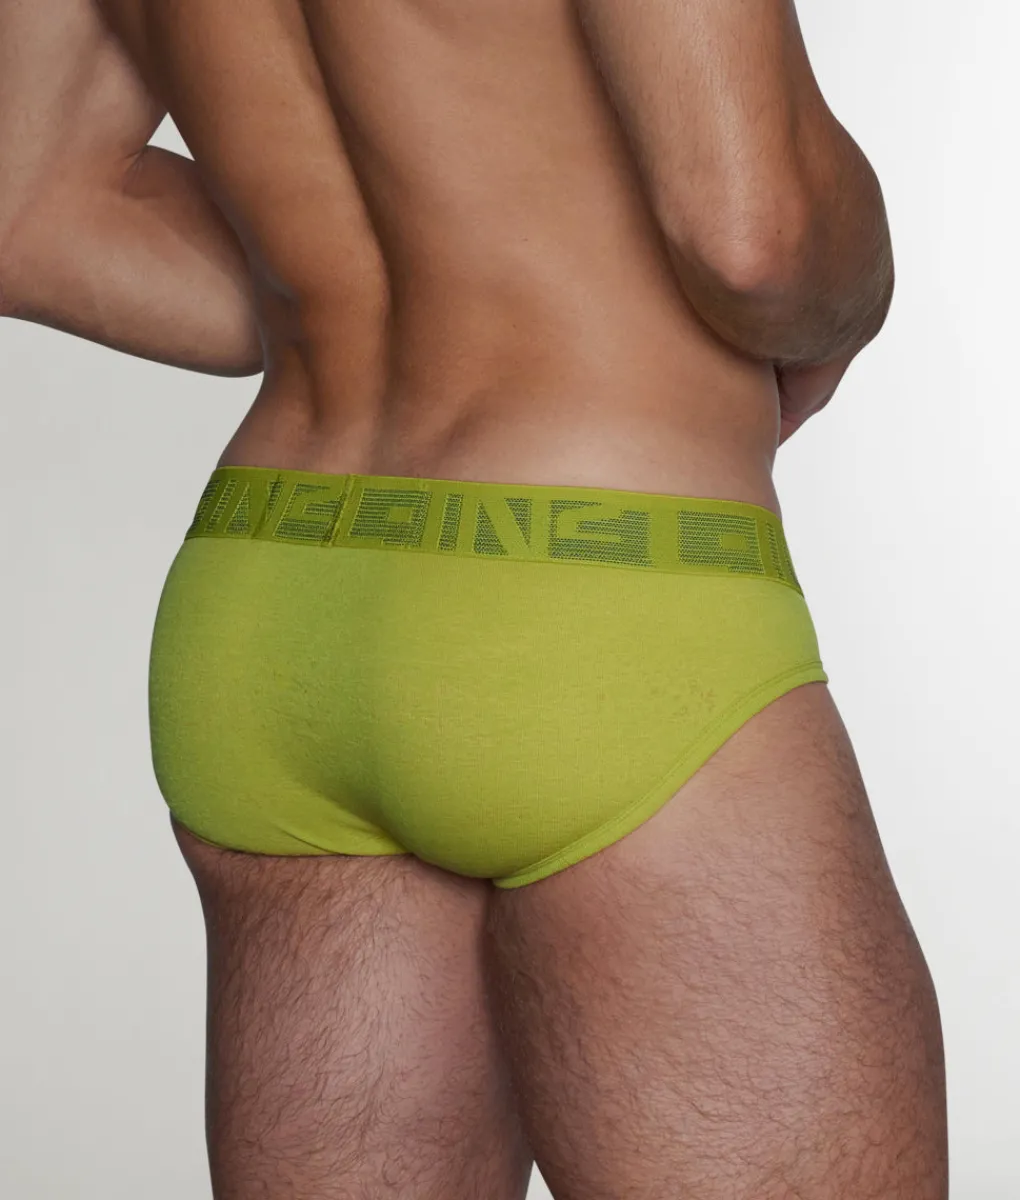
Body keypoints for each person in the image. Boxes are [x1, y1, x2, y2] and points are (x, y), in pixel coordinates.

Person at [0, 1, 948, 1196]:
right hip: (585, 597)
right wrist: (854, 297)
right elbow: (756, 233)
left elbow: (28, 215)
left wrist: (339, 290)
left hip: (272, 589)